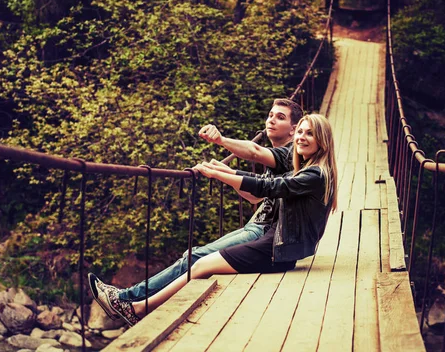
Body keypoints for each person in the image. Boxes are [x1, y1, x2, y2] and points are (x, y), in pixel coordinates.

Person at [92, 114, 337, 326]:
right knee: (199, 262)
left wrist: (220, 173)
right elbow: (266, 186)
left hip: (276, 251)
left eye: (309, 134)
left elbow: (268, 186)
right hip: (277, 247)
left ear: (322, 142)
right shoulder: (307, 169)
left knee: (199, 263)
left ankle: (136, 308)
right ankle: (135, 305)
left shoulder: (315, 175)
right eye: (301, 132)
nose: (301, 138)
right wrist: (228, 172)